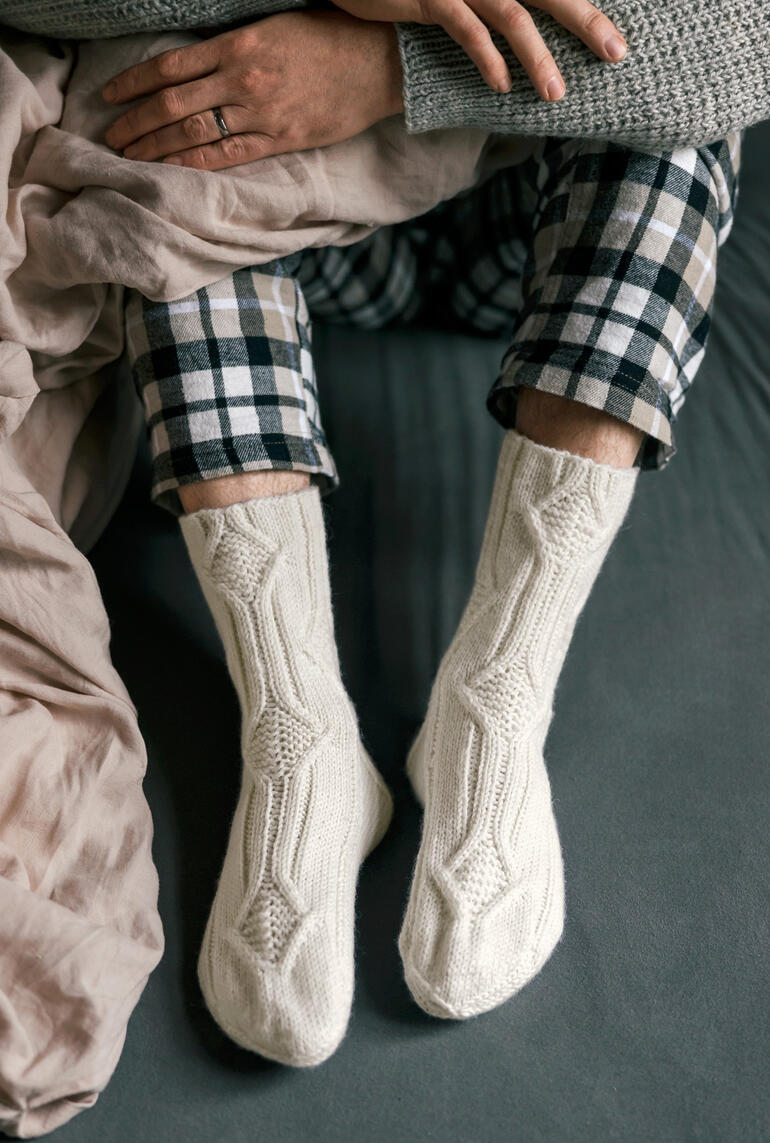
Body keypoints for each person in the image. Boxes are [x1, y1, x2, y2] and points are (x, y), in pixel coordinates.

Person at [0, 0, 749, 1084]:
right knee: (166, 94)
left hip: (527, 219)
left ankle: (494, 704)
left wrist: (392, 65)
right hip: (307, 212)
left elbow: (745, 49)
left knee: (680, 132)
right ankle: (297, 729)